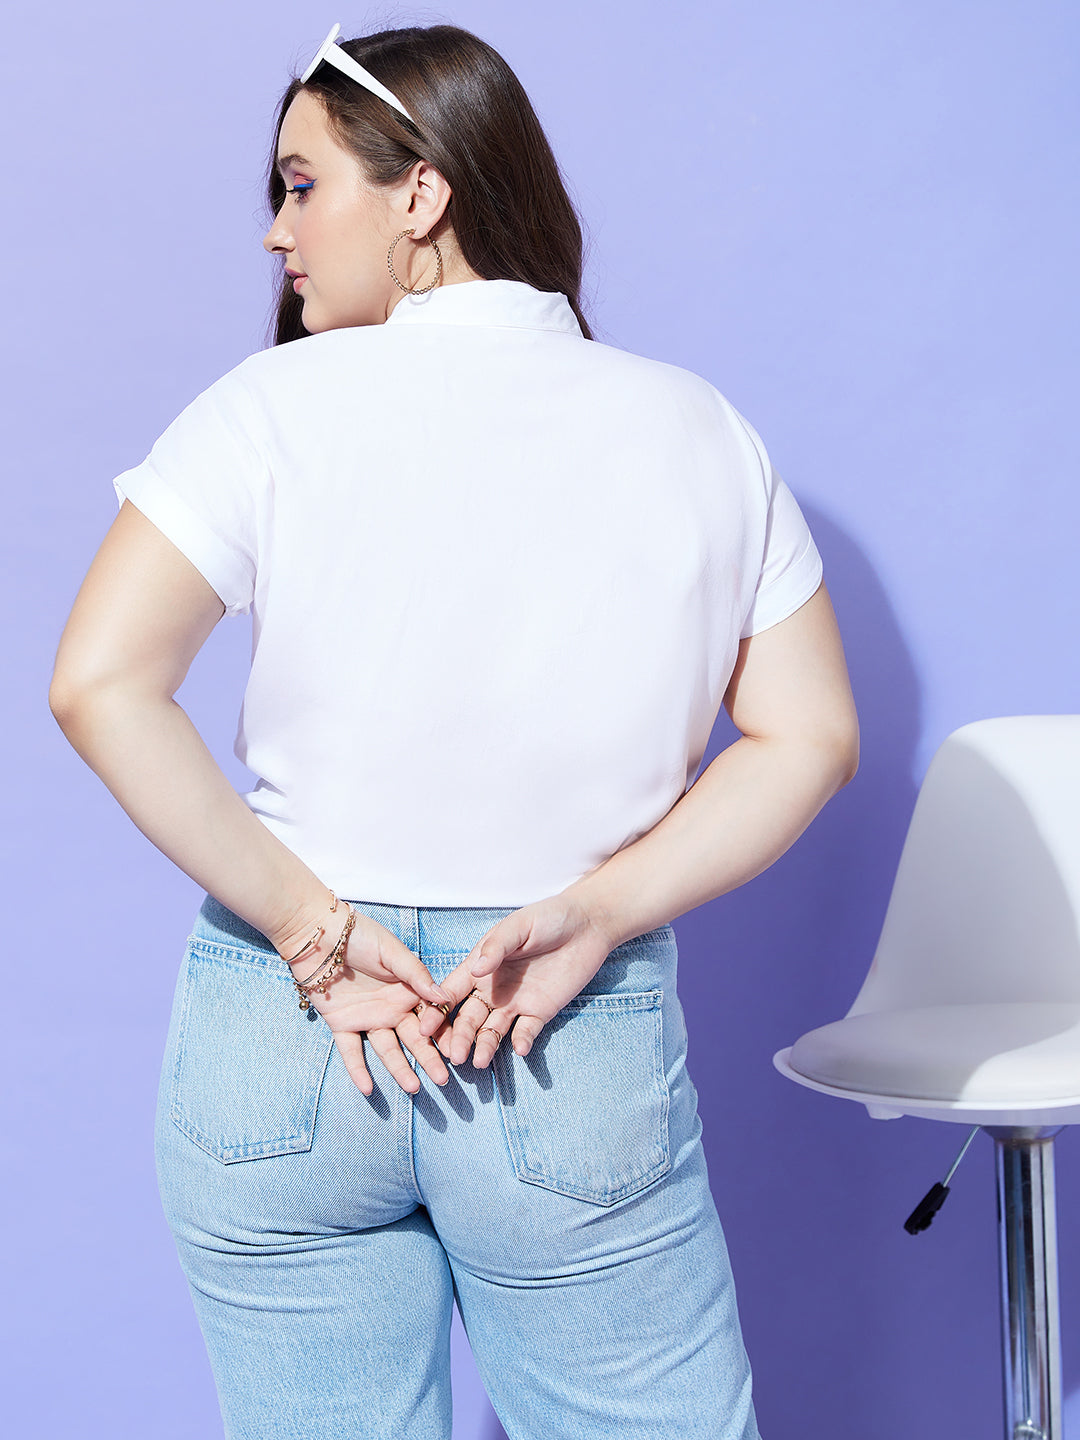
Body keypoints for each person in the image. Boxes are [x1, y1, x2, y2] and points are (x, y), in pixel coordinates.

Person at [48, 20, 859, 1440]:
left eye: (301, 185)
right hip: (552, 1024)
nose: (275, 231)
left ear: (420, 193)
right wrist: (601, 911)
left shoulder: (263, 411)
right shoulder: (693, 428)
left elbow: (98, 683)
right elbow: (811, 737)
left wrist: (312, 932)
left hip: (291, 1034)